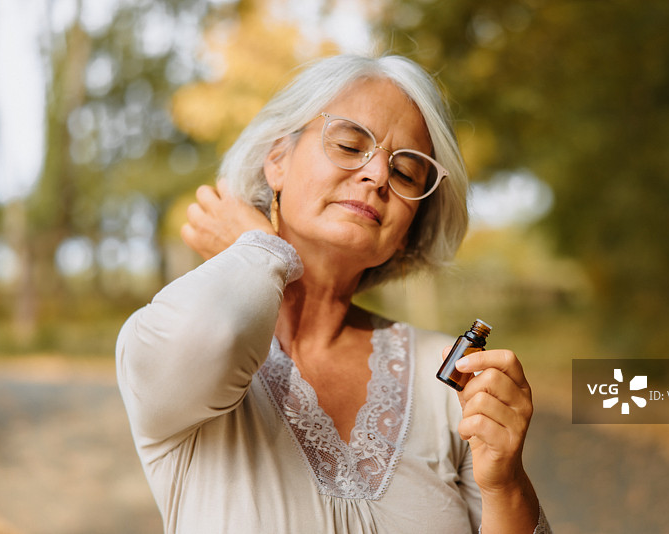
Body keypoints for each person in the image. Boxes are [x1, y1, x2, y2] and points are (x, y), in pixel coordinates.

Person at [116, 54, 552, 534]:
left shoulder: (447, 378)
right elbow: (213, 333)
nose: (378, 176)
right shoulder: (171, 332)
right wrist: (260, 250)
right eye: (349, 144)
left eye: (406, 173)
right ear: (277, 160)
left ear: (408, 231)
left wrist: (505, 484)